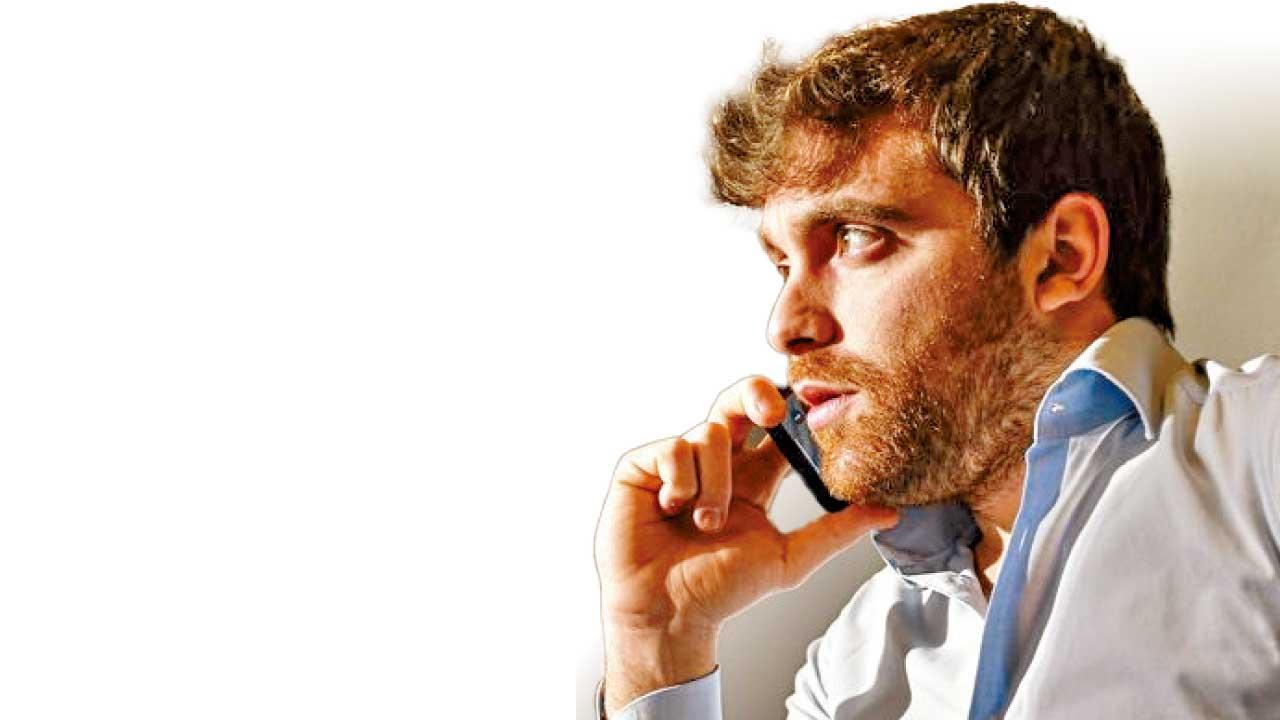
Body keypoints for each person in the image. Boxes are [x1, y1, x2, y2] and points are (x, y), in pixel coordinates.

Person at [592, 3, 1280, 719]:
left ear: (1061, 257)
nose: (785, 326)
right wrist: (659, 645)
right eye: (783, 264)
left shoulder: (1260, 454)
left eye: (856, 237)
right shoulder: (853, 664)